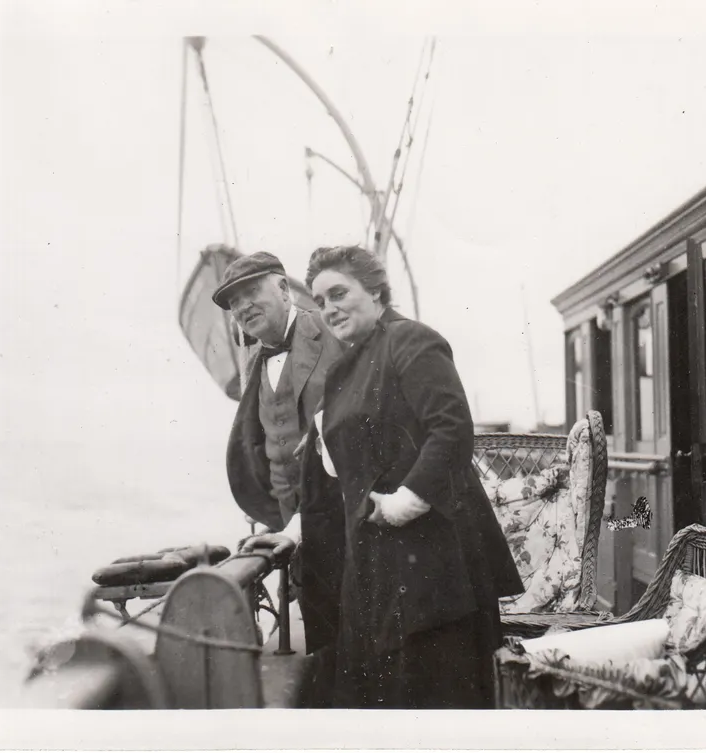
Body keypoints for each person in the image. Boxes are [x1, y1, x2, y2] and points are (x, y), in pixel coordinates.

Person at [244, 245, 524, 709]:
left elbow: (451, 429)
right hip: (376, 565)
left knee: (436, 699)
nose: (329, 308)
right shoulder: (347, 367)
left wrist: (405, 502)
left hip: (434, 564)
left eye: (339, 293)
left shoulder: (411, 339)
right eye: (320, 300)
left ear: (375, 291)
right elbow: (337, 476)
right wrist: (293, 533)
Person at [212, 251, 344, 534]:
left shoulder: (335, 329)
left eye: (251, 292)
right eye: (234, 302)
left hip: (347, 519)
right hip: (290, 526)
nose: (243, 306)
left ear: (284, 289)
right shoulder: (254, 363)